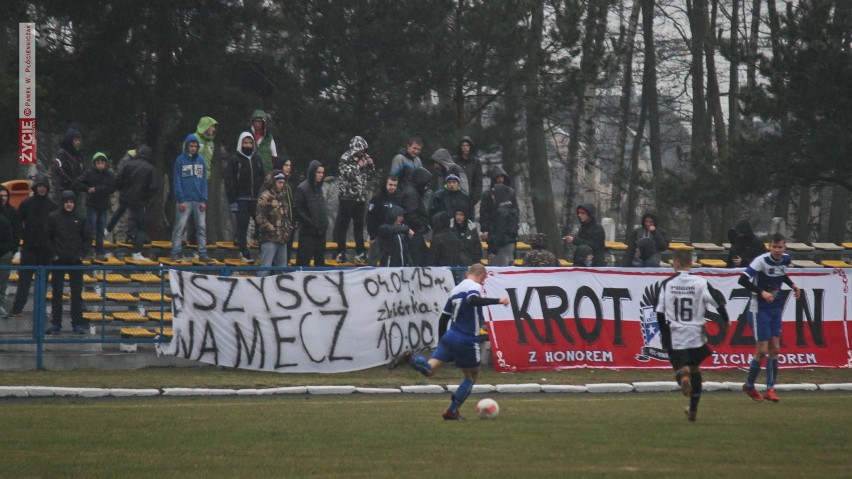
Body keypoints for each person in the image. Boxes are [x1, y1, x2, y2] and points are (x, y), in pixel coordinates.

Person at [401, 263, 509, 420]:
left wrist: (442, 341)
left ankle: (412, 359)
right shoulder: (475, 286)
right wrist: (498, 300)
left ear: (467, 273)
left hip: (450, 336)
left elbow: (444, 318)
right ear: (482, 276)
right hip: (466, 338)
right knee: (471, 376)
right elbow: (472, 300)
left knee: (430, 370)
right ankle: (452, 410)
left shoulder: (455, 290)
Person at [655, 249, 730, 422]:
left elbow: (659, 312)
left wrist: (665, 333)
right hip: (696, 334)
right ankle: (693, 410)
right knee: (696, 369)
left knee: (681, 369)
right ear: (690, 263)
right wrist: (725, 320)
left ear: (675, 263)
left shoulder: (667, 284)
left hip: (677, 333)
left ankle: (684, 377)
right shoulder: (701, 283)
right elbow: (718, 301)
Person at [739, 233, 801, 403]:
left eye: (780, 247)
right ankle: (750, 386)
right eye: (774, 247)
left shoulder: (786, 260)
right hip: (759, 310)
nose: (777, 250)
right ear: (769, 246)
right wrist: (761, 292)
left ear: (785, 247)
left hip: (775, 309)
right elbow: (742, 280)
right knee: (763, 350)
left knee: (775, 349)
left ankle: (770, 389)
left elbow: (781, 275)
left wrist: (792, 285)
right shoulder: (761, 261)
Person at [44, 191, 92, 335]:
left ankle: (76, 323)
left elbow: (87, 238)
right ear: (62, 203)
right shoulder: (53, 217)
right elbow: (47, 237)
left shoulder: (81, 218)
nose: (69, 204)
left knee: (76, 294)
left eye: (71, 202)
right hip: (59, 262)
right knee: (56, 293)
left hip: (75, 262)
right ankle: (56, 323)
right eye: (66, 202)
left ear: (74, 203)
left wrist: (82, 254)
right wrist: (54, 254)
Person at [9, 175, 57, 318]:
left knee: (42, 285)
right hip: (29, 249)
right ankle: (17, 309)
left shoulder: (53, 206)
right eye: (40, 186)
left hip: (46, 251)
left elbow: (56, 228)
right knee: (24, 282)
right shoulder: (26, 203)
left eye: (44, 186)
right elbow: (17, 222)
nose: (42, 188)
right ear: (35, 187)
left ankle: (40, 311)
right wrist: (24, 236)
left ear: (47, 188)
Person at [171, 133, 213, 263]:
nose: (193, 148)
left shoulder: (200, 160)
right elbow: (177, 181)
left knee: (201, 228)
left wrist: (204, 199)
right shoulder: (180, 160)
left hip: (198, 200)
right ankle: (176, 252)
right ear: (187, 146)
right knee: (180, 227)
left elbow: (203, 181)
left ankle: (202, 253)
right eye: (191, 146)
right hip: (185, 200)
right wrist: (180, 199)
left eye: (195, 146)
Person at [333, 136, 375, 264]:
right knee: (343, 225)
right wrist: (358, 166)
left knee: (359, 225)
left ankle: (361, 253)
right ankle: (341, 252)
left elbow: (370, 174)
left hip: (360, 198)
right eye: (360, 149)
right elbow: (346, 173)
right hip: (347, 197)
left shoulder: (364, 157)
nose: (362, 152)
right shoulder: (346, 158)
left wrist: (370, 164)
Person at [226, 132, 265, 263]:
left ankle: (262, 251)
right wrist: (232, 201)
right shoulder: (234, 160)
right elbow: (230, 181)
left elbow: (262, 177)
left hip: (255, 199)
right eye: (245, 143)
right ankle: (244, 253)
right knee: (242, 226)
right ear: (240, 144)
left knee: (261, 224)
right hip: (241, 199)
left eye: (250, 143)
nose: (247, 145)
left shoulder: (257, 159)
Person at [113, 145, 158, 262]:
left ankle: (129, 235)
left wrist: (123, 191)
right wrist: (146, 198)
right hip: (139, 200)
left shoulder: (127, 164)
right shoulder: (151, 168)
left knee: (124, 218)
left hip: (126, 197)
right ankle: (137, 251)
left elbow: (118, 178)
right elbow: (153, 187)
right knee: (142, 227)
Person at [76, 152, 115, 261]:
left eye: (102, 162)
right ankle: (87, 252)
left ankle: (99, 252)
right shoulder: (89, 173)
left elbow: (112, 187)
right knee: (90, 229)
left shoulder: (110, 174)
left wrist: (96, 189)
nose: (100, 164)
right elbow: (78, 183)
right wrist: (87, 189)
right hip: (92, 205)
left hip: (103, 206)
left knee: (100, 231)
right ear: (94, 163)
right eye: (98, 162)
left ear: (105, 163)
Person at [255, 170, 295, 276]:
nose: (282, 185)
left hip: (282, 239)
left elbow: (285, 216)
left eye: (283, 183)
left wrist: (288, 228)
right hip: (269, 239)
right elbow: (260, 218)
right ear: (273, 182)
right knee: (265, 268)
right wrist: (272, 228)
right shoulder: (265, 197)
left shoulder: (282, 196)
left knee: (282, 270)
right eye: (279, 182)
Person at [294, 160, 329, 267]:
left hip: (320, 233)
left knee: (320, 263)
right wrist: (309, 222)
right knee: (303, 263)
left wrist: (324, 223)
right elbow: (296, 209)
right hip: (307, 233)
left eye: (322, 173)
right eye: (318, 172)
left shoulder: (319, 189)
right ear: (312, 172)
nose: (320, 175)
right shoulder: (302, 188)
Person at [395, 166, 432, 266]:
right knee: (418, 259)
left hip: (413, 232)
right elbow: (411, 214)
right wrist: (421, 226)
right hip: (413, 233)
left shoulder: (411, 190)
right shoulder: (411, 193)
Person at [366, 176, 400, 266]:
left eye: (395, 185)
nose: (392, 187)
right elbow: (370, 218)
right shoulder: (377, 199)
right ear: (385, 184)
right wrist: (372, 236)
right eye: (390, 184)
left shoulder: (398, 198)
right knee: (373, 260)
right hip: (378, 235)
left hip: (392, 234)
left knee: (388, 260)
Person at [105, 148, 136, 239]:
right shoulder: (128, 162)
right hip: (126, 192)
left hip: (123, 192)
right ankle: (122, 235)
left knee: (120, 214)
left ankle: (110, 231)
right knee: (125, 215)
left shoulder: (123, 161)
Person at [485, 184, 519, 267]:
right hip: (511, 246)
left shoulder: (501, 212)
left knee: (499, 272)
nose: (492, 197)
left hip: (501, 248)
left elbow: (498, 232)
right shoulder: (513, 210)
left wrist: (493, 248)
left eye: (493, 195)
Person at [0, 186, 21, 317]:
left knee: (3, 282)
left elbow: (16, 233)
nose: (3, 198)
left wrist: (12, 251)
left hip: (5, 253)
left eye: (5, 195)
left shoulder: (12, 213)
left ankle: (1, 305)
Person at [479, 165, 512, 246]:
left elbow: (514, 211)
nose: (500, 179)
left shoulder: (510, 193)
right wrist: (485, 229)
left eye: (501, 177)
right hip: (492, 229)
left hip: (507, 230)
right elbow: (484, 213)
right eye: (497, 177)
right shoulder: (488, 194)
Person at [52, 128, 86, 204]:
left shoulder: (78, 155)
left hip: (77, 190)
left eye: (79, 140)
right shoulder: (63, 153)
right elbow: (58, 170)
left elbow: (83, 171)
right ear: (70, 140)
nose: (78, 142)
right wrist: (69, 180)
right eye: (75, 140)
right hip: (65, 189)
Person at [452, 136, 483, 206]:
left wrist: (474, 199)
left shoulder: (476, 162)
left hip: (470, 198)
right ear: (460, 147)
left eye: (467, 145)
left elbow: (478, 182)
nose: (465, 148)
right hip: (456, 196)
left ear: (470, 147)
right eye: (463, 146)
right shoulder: (455, 161)